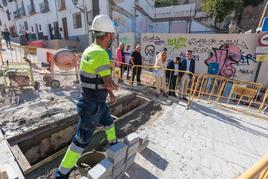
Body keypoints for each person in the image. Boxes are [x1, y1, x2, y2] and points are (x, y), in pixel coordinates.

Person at [53, 15, 119, 179]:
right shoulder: (102, 54)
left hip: (93, 102)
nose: (113, 38)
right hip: (92, 106)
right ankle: (60, 174)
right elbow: (108, 82)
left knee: (109, 122)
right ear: (108, 35)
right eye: (113, 35)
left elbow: (97, 80)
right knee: (80, 141)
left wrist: (109, 94)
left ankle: (114, 144)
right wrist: (115, 87)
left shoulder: (89, 50)